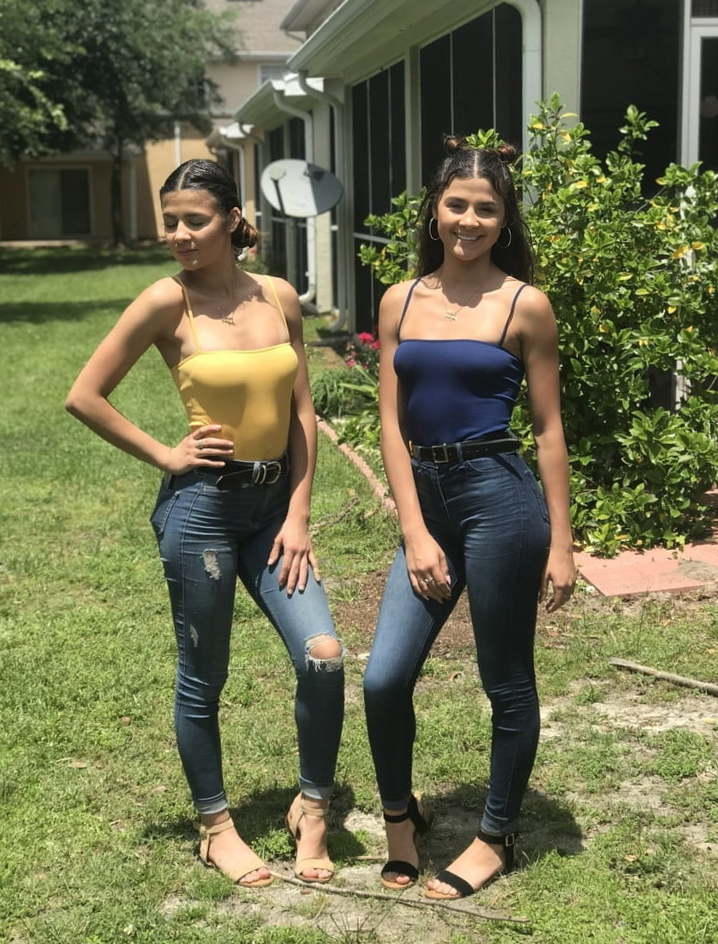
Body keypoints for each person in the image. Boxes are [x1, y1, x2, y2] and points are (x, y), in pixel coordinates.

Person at [65, 159, 343, 888]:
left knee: (323, 655)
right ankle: (216, 829)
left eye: (195, 220)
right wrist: (166, 453)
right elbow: (85, 395)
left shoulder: (278, 296)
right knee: (204, 675)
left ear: (231, 220)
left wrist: (300, 513)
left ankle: (313, 810)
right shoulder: (168, 301)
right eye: (171, 222)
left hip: (274, 510)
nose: (180, 235)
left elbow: (301, 411)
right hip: (203, 512)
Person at [362, 137, 576, 900]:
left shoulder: (525, 305)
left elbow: (548, 430)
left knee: (505, 679)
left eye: (486, 208)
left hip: (498, 497)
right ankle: (400, 820)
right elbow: (391, 423)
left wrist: (562, 544)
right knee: (384, 679)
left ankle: (495, 836)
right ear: (435, 210)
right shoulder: (399, 299)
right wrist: (414, 530)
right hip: (428, 497)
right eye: (457, 204)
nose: (469, 220)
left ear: (504, 219)